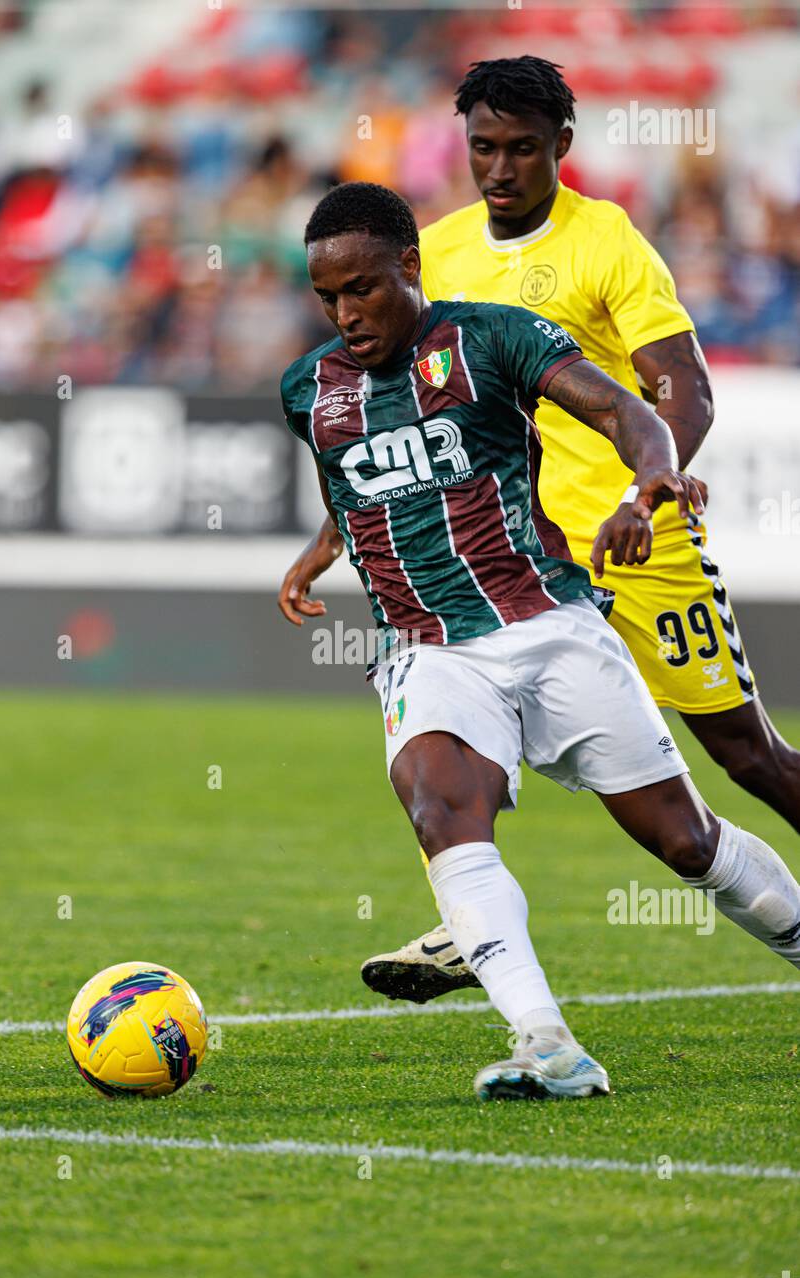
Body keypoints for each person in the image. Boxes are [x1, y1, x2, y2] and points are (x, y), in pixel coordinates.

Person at [282, 56, 800, 1005]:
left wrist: (646, 492)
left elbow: (681, 389)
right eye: (483, 147)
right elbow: (390, 407)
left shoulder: (607, 243)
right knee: (459, 725)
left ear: (561, 146)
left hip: (632, 543)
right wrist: (330, 533)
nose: (500, 168)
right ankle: (468, 921)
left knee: (744, 754)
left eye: (523, 148)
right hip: (513, 554)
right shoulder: (428, 251)